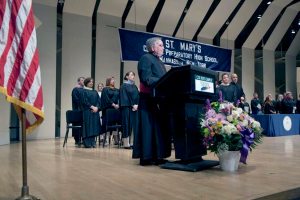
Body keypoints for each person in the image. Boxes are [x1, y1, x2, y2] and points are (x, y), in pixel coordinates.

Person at [133, 37, 171, 166]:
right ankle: (147, 157)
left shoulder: (160, 62)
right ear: (153, 47)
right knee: (148, 128)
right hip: (148, 99)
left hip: (159, 99)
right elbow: (146, 78)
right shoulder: (146, 58)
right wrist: (165, 80)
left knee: (158, 128)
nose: (163, 47)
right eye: (160, 45)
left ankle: (158, 156)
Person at [119, 71, 139, 149]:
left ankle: (132, 142)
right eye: (131, 75)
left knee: (133, 125)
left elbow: (137, 96)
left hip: (135, 108)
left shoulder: (135, 86)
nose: (133, 76)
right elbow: (124, 97)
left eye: (134, 75)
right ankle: (126, 143)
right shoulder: (123, 86)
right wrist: (132, 105)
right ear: (127, 77)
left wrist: (137, 104)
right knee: (127, 124)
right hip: (126, 108)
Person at [80, 77, 101, 148]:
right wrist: (92, 107)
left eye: (92, 82)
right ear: (86, 83)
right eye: (90, 82)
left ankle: (93, 141)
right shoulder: (83, 91)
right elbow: (84, 101)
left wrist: (97, 108)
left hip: (95, 111)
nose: (91, 83)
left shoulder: (95, 92)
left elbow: (99, 101)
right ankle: (87, 142)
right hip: (87, 111)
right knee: (88, 127)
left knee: (94, 127)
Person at [101, 77, 120, 145]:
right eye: (112, 80)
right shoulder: (105, 89)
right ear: (108, 81)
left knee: (115, 123)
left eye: (114, 80)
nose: (113, 81)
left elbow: (119, 98)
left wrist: (118, 104)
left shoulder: (117, 90)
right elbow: (106, 98)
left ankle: (115, 138)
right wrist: (113, 104)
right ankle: (105, 139)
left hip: (115, 109)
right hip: (107, 109)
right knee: (106, 123)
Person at [71, 77, 85, 145]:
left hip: (84, 111)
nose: (83, 81)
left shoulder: (85, 90)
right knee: (77, 124)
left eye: (84, 80)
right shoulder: (75, 89)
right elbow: (76, 100)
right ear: (78, 82)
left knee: (83, 125)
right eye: (82, 80)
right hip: (77, 110)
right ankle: (77, 139)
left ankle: (83, 138)